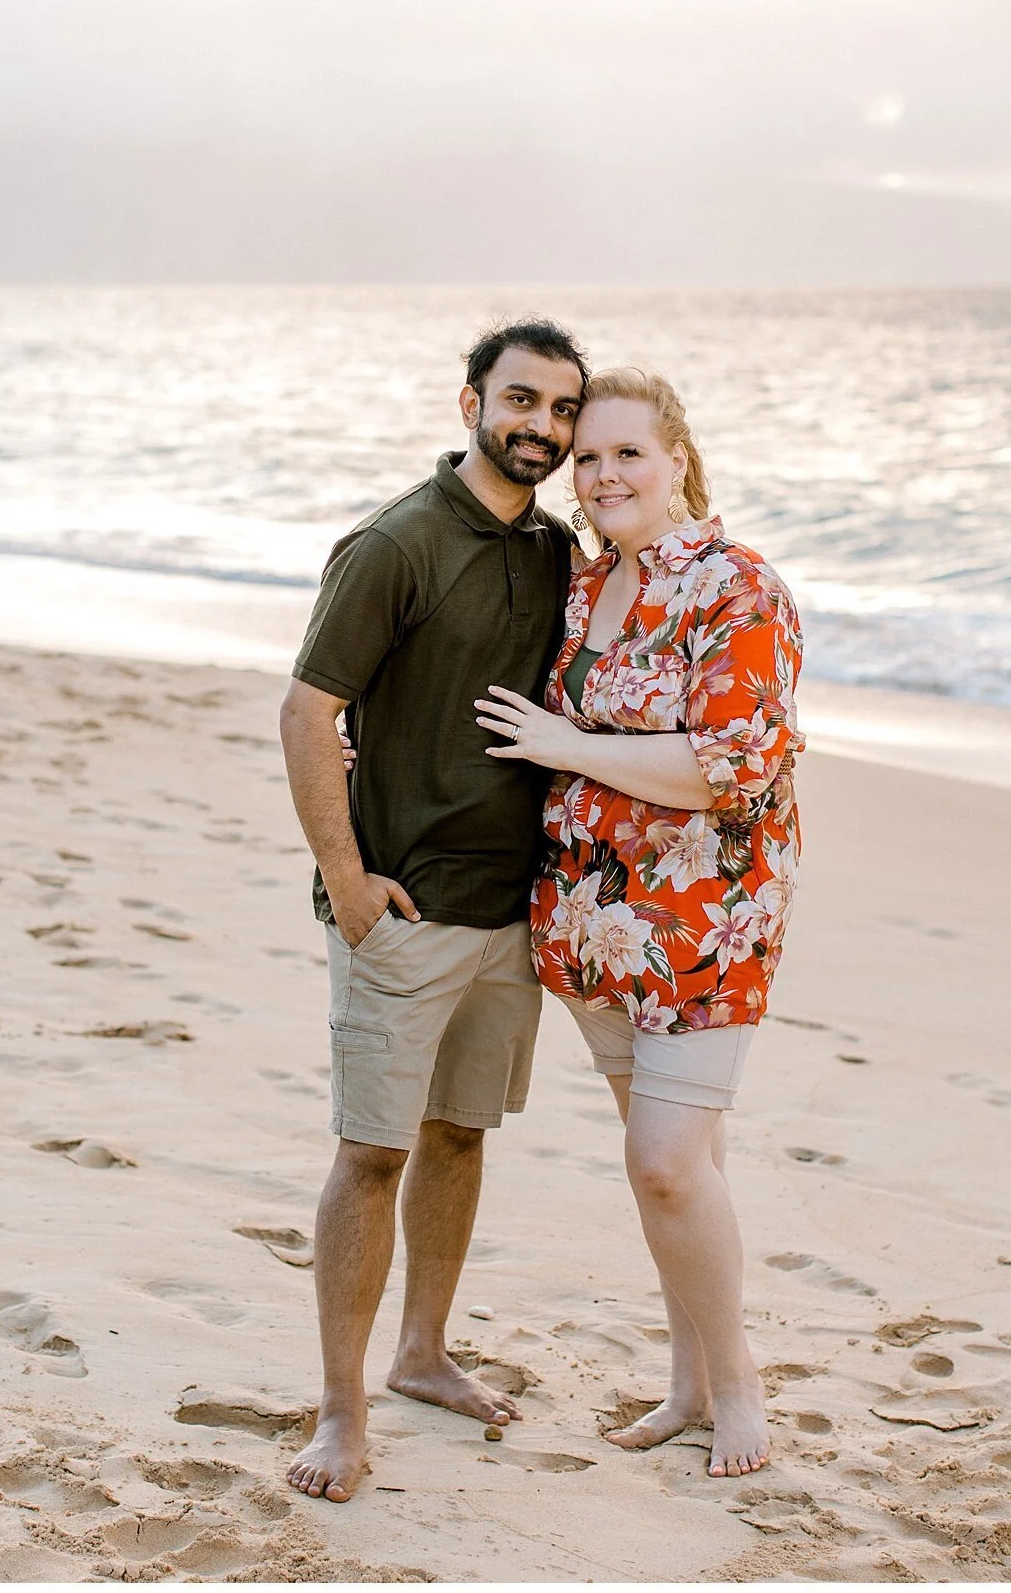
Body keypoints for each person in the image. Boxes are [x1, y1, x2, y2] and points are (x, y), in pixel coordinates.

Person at [278, 317, 589, 1502]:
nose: (545, 430)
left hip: (510, 911)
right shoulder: (394, 544)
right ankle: (340, 1414)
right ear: (470, 404)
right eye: (523, 402)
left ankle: (423, 1353)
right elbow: (310, 712)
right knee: (371, 1153)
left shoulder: (560, 553)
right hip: (401, 911)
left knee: (460, 1136)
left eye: (564, 411)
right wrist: (350, 884)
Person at [474, 366, 803, 1480]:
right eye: (590, 457)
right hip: (588, 918)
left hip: (709, 918)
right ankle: (688, 1382)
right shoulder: (580, 586)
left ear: (677, 461)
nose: (606, 473)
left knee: (665, 1163)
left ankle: (740, 1381)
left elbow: (730, 766)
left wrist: (566, 748)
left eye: (629, 453)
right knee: (677, 1157)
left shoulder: (736, 586)